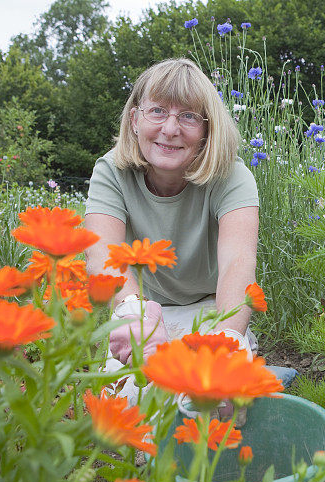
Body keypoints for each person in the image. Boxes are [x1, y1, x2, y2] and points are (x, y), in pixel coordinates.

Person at [84, 58, 260, 407]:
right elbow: (102, 258)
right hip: (142, 310)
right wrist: (135, 314)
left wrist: (227, 339)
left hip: (212, 310)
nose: (170, 128)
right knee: (134, 408)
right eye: (157, 111)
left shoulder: (232, 177)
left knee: (217, 405)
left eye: (189, 116)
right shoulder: (110, 172)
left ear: (208, 130)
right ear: (134, 120)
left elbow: (238, 264)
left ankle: (251, 356)